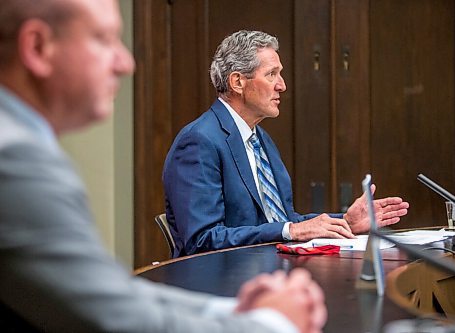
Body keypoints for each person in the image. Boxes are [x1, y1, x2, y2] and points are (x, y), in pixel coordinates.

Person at [0, 1, 327, 332]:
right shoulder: (14, 158)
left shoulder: (24, 144)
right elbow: (109, 313)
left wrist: (238, 312)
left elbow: (116, 293)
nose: (125, 63)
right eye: (103, 38)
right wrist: (269, 324)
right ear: (38, 47)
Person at [163, 30, 410, 257]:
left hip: (274, 269)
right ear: (237, 82)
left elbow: (283, 220)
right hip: (226, 287)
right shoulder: (199, 141)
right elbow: (202, 240)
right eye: (271, 74)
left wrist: (345, 221)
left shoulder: (260, 139)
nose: (282, 85)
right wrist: (291, 230)